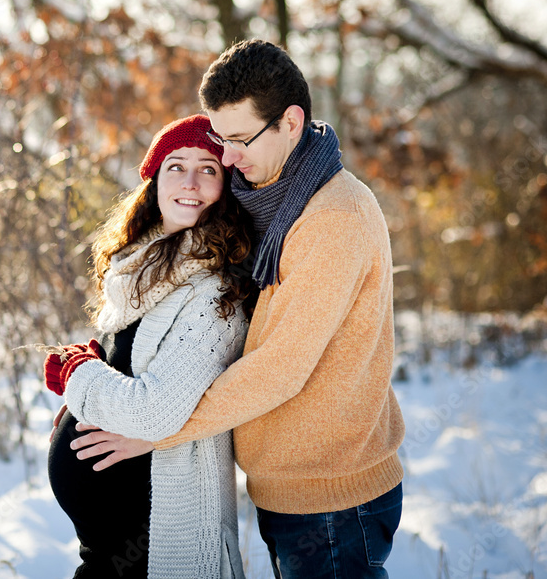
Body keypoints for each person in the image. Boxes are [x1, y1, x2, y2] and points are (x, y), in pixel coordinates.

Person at [70, 40, 407, 579]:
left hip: (331, 495)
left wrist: (158, 431)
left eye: (237, 139)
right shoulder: (276, 199)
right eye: (219, 138)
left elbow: (280, 368)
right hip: (290, 487)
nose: (226, 159)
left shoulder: (330, 219)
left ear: (291, 123)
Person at [43, 114, 256, 579]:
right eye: (175, 166)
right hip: (103, 550)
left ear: (227, 185)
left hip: (152, 540)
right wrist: (93, 378)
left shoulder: (217, 292)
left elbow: (151, 413)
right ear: (154, 179)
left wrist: (79, 374)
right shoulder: (140, 267)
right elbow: (131, 361)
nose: (190, 181)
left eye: (209, 169)